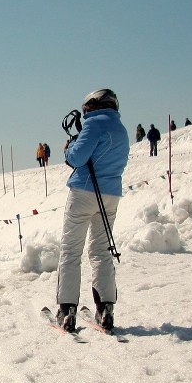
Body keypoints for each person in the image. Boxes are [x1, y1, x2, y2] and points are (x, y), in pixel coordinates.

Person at [56, 89, 129, 332]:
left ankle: (67, 311)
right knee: (101, 251)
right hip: (110, 195)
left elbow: (76, 158)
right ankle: (105, 309)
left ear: (92, 106)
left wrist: (70, 147)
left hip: (84, 193)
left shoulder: (94, 125)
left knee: (71, 251)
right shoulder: (121, 130)